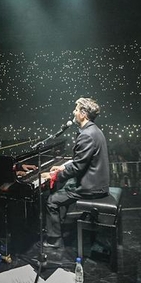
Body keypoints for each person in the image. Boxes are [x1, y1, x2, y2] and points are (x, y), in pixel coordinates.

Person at [40, 97, 110, 248]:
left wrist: (54, 175)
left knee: (51, 201)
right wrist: (63, 168)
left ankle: (54, 239)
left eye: (76, 109)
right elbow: (82, 162)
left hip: (91, 188)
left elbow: (78, 167)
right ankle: (59, 226)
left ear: (83, 114)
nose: (74, 111)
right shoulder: (94, 131)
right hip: (96, 182)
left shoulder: (86, 135)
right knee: (64, 188)